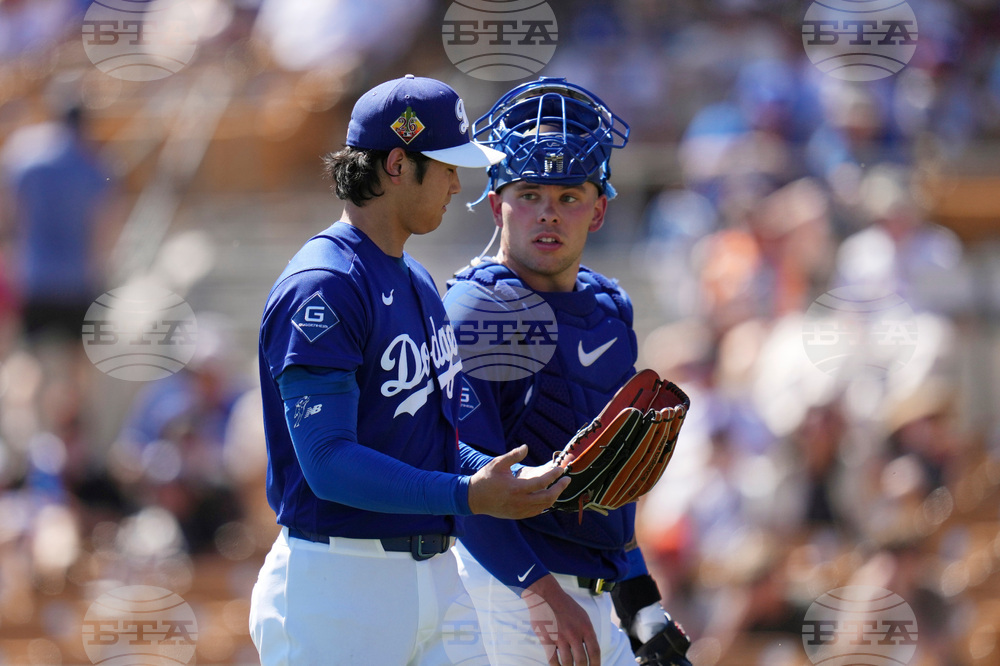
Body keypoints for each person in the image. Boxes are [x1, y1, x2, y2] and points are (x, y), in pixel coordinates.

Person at [248, 74, 571, 665]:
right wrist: (467, 494)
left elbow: (434, 437)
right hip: (338, 582)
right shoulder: (324, 284)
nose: (456, 183)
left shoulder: (417, 279)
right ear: (397, 164)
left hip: (437, 576)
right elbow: (326, 462)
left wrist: (522, 476)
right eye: (446, 166)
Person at [444, 77, 692, 666]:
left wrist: (640, 604)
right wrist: (538, 589)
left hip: (592, 598)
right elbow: (455, 477)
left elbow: (613, 485)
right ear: (497, 201)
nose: (547, 214)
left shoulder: (610, 309)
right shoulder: (480, 308)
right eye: (529, 193)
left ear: (600, 209)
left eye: (568, 197)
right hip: (504, 591)